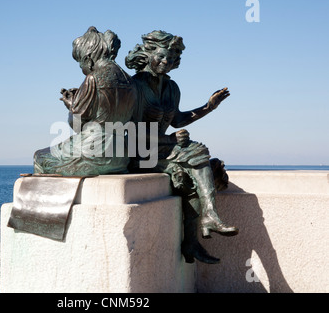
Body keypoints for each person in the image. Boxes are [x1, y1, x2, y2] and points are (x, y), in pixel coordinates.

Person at [125, 30, 238, 264]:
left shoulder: (172, 87)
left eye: (172, 59)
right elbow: (130, 129)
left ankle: (192, 241)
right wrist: (171, 140)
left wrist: (208, 107)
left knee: (190, 175)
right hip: (138, 153)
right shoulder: (135, 86)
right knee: (197, 153)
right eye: (163, 57)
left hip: (163, 151)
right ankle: (209, 217)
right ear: (148, 54)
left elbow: (176, 120)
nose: (168, 62)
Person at [34, 26, 137, 176]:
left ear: (88, 60)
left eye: (80, 63)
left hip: (95, 153)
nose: (82, 68)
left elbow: (76, 123)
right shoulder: (130, 82)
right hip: (122, 155)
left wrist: (71, 105)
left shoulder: (93, 78)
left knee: (39, 157)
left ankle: (56, 199)